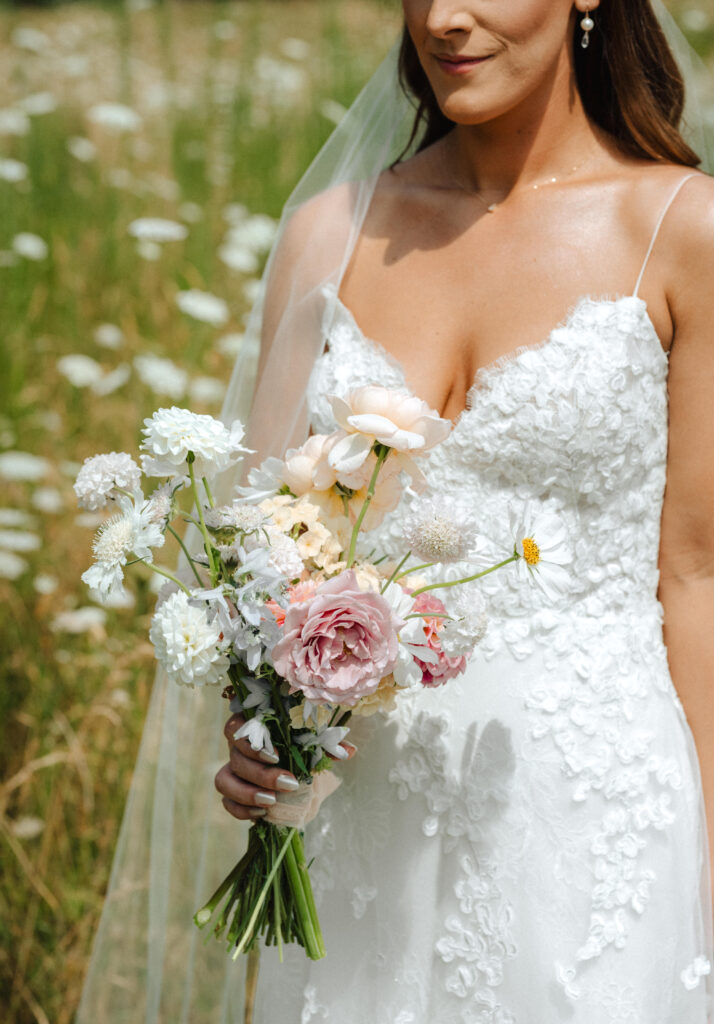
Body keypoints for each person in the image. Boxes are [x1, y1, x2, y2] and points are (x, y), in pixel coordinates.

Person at [75, 3, 714, 1023]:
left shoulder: (683, 232)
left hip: (600, 821)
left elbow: (696, 578)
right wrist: (259, 730)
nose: (443, 18)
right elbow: (263, 546)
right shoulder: (330, 231)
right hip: (363, 828)